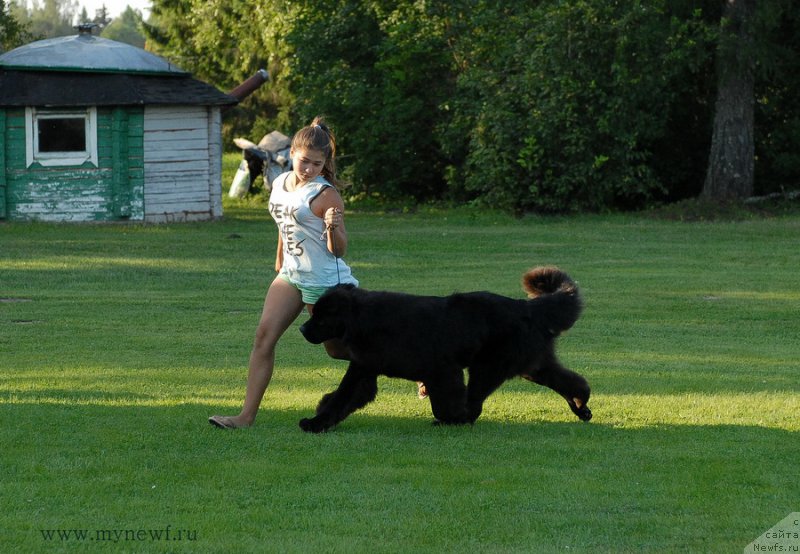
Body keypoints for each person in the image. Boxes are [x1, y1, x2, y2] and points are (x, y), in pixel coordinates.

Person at [209, 116, 358, 429]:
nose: (309, 169)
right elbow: (284, 222)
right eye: (305, 161)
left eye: (317, 164)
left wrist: (333, 225)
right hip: (291, 275)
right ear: (292, 153)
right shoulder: (279, 182)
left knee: (338, 350)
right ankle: (245, 417)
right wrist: (280, 259)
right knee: (263, 337)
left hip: (324, 282)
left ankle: (414, 363)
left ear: (324, 164)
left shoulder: (325, 194)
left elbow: (338, 251)